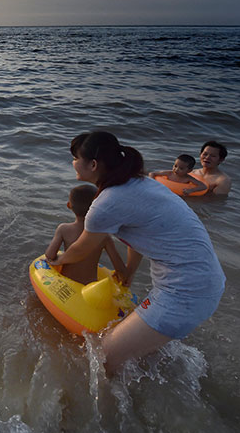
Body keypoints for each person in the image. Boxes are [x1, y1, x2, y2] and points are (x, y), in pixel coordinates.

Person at [47, 131, 225, 373]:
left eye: (76, 158)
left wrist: (57, 260)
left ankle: (114, 398)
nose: (73, 163)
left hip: (185, 291)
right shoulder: (141, 184)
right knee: (138, 352)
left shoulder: (106, 203)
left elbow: (81, 248)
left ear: (93, 165)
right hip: (205, 280)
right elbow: (136, 235)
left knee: (103, 359)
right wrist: (129, 271)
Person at [45, 184, 126, 285]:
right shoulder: (103, 236)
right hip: (90, 287)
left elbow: (50, 255)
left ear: (69, 205)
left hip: (67, 284)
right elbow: (119, 267)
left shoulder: (64, 229)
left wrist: (59, 258)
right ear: (98, 208)